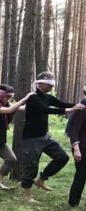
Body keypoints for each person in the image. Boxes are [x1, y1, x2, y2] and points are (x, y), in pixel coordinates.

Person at [20, 71, 84, 203]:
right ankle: (28, 195)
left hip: (45, 137)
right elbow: (45, 109)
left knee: (62, 157)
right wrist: (67, 111)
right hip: (31, 139)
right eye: (49, 85)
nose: (51, 88)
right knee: (31, 166)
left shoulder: (47, 97)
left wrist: (78, 105)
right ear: (41, 83)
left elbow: (61, 103)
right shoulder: (33, 97)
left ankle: (42, 179)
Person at [68, 87, 86, 207]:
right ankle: (73, 203)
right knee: (81, 175)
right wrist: (76, 149)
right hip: (82, 147)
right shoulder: (82, 108)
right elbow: (74, 131)